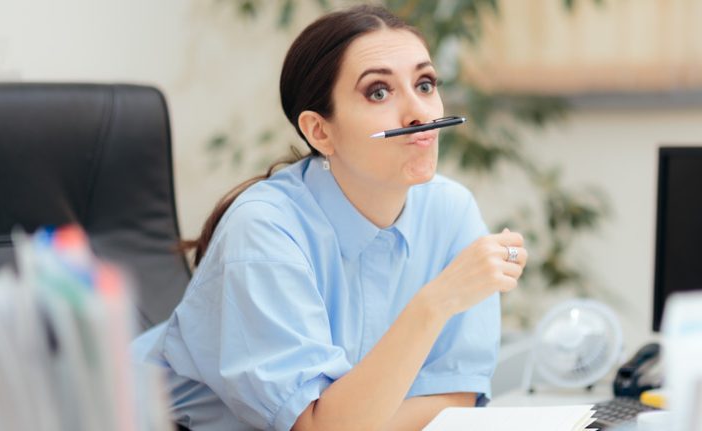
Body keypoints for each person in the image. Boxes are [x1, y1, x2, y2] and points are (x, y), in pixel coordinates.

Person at [132, 5, 527, 431]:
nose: (420, 113)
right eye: (379, 92)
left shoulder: (453, 210)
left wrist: (360, 421)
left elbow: (456, 396)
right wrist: (437, 301)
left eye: (425, 84)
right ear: (320, 131)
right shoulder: (263, 230)